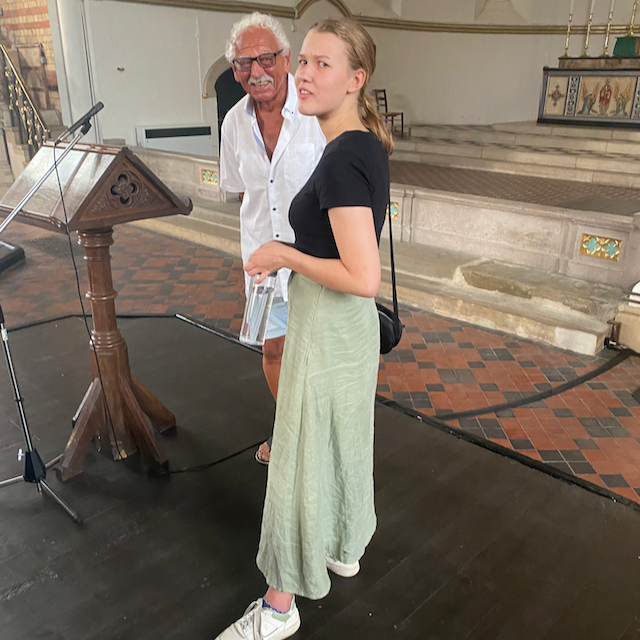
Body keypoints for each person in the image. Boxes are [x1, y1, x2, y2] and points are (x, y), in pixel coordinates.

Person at [214, 17, 393, 640]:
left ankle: (279, 607)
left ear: (356, 78)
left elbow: (362, 275)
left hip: (325, 323)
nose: (307, 76)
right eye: (308, 62)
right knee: (346, 441)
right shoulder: (362, 143)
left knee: (295, 460)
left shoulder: (341, 158)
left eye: (323, 64)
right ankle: (344, 545)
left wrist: (284, 253)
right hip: (347, 329)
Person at [219, 12, 325, 464]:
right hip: (263, 267)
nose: (257, 71)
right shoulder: (233, 123)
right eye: (244, 62)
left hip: (314, 263)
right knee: (275, 349)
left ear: (286, 59)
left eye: (266, 58)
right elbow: (243, 191)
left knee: (318, 352)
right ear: (235, 70)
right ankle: (291, 431)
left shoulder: (317, 114)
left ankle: (319, 438)